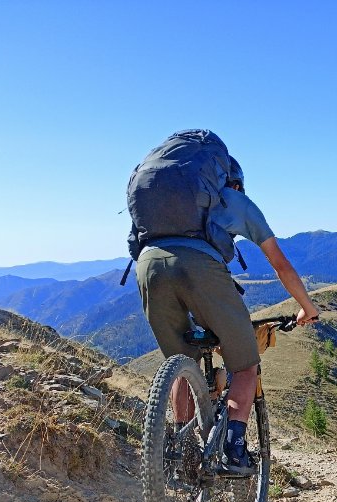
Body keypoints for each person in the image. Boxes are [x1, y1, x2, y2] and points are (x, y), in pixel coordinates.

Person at [133, 142, 320, 475]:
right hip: (199, 270)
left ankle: (183, 447)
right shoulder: (234, 200)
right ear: (232, 181)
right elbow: (281, 264)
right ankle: (234, 450)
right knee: (245, 365)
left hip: (148, 267)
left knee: (181, 361)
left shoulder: (169, 207)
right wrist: (307, 307)